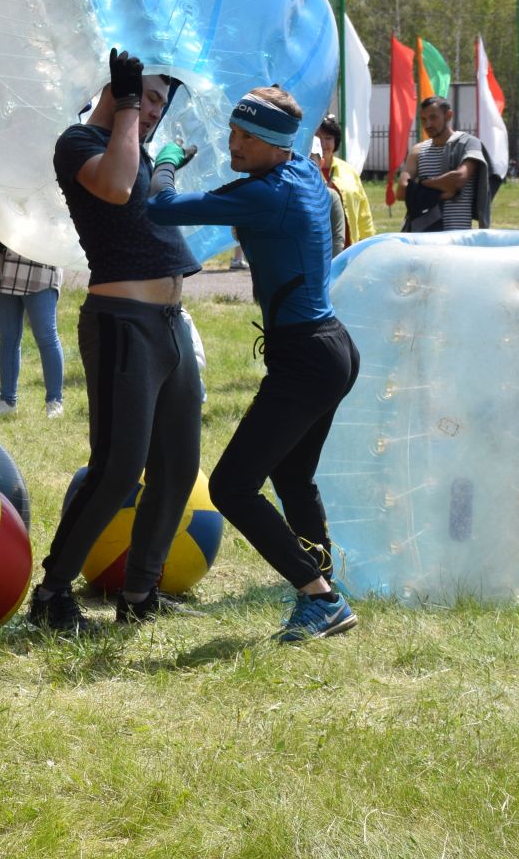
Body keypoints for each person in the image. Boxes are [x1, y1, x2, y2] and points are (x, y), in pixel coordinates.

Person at [146, 87, 363, 642]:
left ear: (274, 144)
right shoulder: (306, 176)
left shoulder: (268, 195)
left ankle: (320, 598)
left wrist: (166, 163)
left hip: (306, 359)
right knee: (293, 477)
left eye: (246, 136)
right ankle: (322, 590)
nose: (232, 142)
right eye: (234, 131)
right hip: (330, 347)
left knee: (232, 486)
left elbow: (161, 207)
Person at [30, 51, 201, 633]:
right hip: (121, 323)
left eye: (159, 101)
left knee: (178, 469)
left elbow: (150, 191)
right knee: (118, 470)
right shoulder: (77, 142)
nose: (153, 110)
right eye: (147, 96)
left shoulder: (140, 146)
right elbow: (117, 184)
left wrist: (170, 161)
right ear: (117, 88)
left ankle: (140, 592)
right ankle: (52, 593)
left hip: (171, 324)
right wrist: (127, 105)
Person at [0, 237, 64, 422]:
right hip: (6, 263)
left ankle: (55, 402)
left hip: (41, 264)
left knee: (46, 336)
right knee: (8, 338)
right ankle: (7, 402)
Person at [398, 96, 488, 232]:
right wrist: (440, 194)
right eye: (423, 119)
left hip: (457, 235)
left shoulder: (468, 143)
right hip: (423, 236)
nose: (427, 124)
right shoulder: (417, 150)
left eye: (433, 117)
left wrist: (422, 184)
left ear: (448, 115)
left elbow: (458, 179)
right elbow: (401, 191)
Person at [315, 116, 376, 250]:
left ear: (336, 141)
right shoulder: (303, 171)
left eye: (328, 138)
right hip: (317, 250)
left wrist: (369, 244)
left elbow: (363, 213)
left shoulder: (349, 171)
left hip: (349, 249)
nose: (323, 143)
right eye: (318, 138)